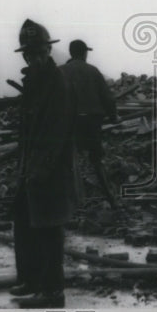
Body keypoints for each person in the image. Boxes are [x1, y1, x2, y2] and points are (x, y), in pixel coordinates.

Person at [9, 19, 79, 309]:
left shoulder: (56, 84)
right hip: (31, 167)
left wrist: (40, 170)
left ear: (48, 51)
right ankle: (31, 280)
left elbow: (56, 132)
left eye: (38, 52)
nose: (33, 57)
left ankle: (52, 292)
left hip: (50, 171)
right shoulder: (35, 82)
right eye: (29, 53)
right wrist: (25, 170)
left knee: (49, 231)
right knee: (24, 224)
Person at [59, 39, 120, 208]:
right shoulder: (93, 71)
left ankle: (73, 204)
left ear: (71, 53)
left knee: (70, 159)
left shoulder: (60, 72)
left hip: (70, 122)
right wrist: (114, 116)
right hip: (92, 121)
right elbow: (107, 98)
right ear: (84, 52)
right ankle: (111, 199)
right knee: (96, 159)